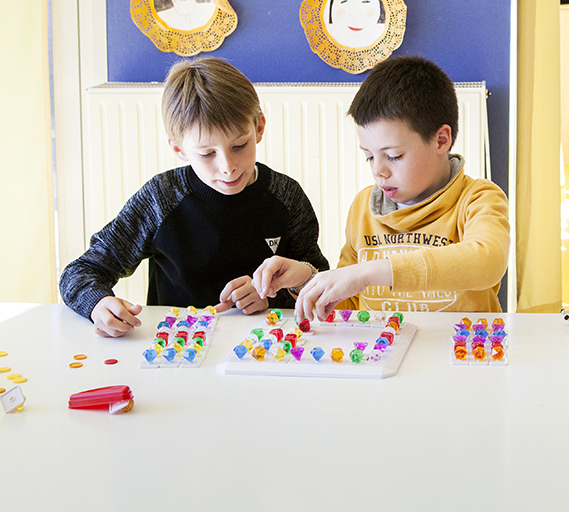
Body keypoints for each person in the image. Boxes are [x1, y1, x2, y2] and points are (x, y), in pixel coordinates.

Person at [59, 58, 329, 337]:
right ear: (179, 149)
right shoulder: (161, 197)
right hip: (178, 352)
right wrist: (99, 304)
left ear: (258, 128)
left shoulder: (286, 197)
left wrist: (272, 296)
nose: (227, 166)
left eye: (239, 145)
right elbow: (81, 271)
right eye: (206, 154)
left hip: (265, 349)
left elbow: (318, 279)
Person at [252, 55, 510, 318]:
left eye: (394, 156)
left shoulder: (478, 198)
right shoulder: (363, 207)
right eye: (369, 156)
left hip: (458, 354)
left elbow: (488, 261)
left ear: (441, 140)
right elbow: (348, 307)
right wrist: (306, 281)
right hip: (385, 353)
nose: (378, 170)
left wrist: (369, 272)